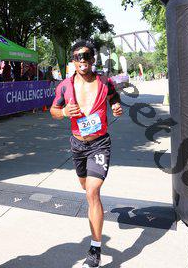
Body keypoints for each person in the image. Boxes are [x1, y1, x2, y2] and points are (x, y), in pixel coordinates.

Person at [50, 40, 123, 268]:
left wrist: (116, 106)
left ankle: (95, 248)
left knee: (92, 191)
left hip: (99, 143)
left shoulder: (105, 82)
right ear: (73, 61)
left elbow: (114, 97)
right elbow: (53, 110)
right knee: (85, 186)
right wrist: (63, 112)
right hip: (77, 145)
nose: (82, 60)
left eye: (86, 56)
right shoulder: (65, 86)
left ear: (93, 59)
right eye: (77, 57)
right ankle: (94, 208)